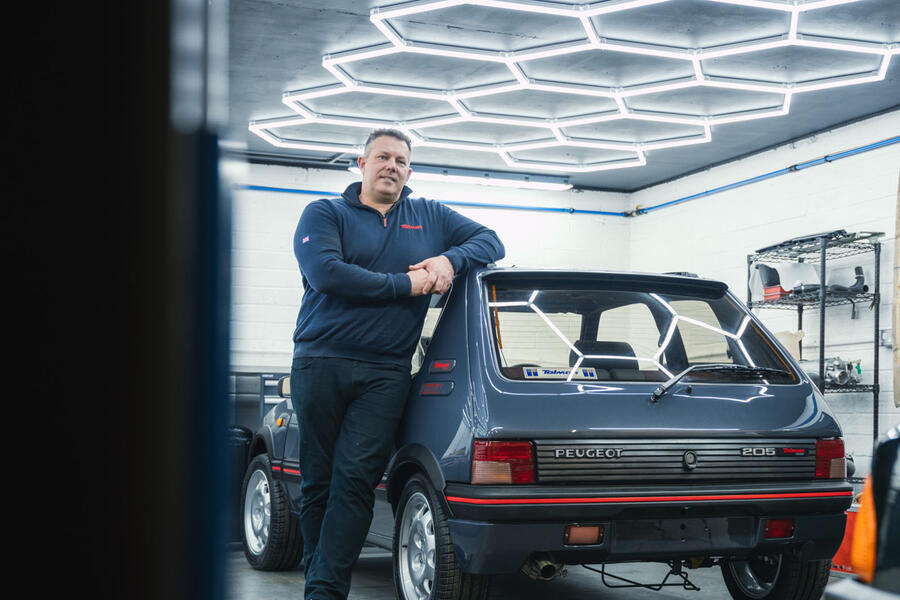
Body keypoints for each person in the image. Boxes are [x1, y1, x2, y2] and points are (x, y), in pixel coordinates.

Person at [290, 128, 505, 600]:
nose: (392, 166)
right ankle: (317, 580)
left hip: (385, 373)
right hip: (320, 363)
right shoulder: (325, 213)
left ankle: (323, 592)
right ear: (362, 164)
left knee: (355, 482)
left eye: (401, 161)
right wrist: (405, 286)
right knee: (318, 483)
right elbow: (327, 274)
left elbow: (491, 242)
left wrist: (449, 260)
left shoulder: (430, 215)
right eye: (383, 157)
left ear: (409, 171)